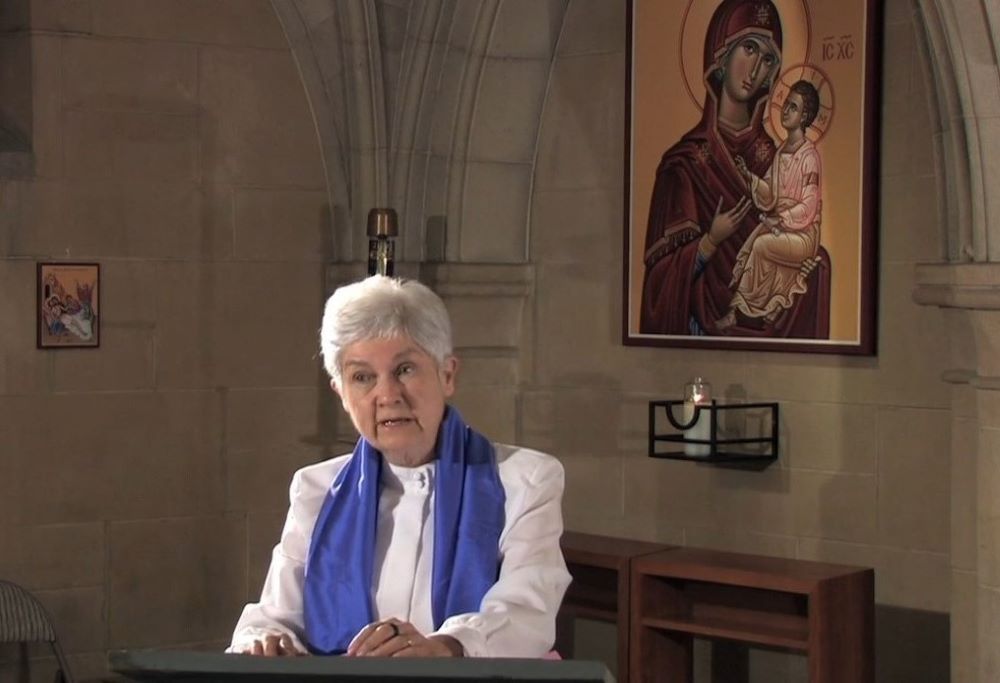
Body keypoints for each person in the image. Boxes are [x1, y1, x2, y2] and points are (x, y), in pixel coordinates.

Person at [228, 275, 571, 659]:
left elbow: (528, 611)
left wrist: (445, 649)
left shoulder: (525, 479)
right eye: (362, 377)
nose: (387, 395)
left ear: (447, 374)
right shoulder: (316, 488)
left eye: (405, 369)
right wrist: (263, 644)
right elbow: (275, 618)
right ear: (340, 393)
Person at [640, 0, 828, 338]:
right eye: (749, 48)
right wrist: (711, 242)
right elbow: (657, 282)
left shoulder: (774, 154)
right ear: (720, 55)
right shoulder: (682, 163)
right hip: (697, 328)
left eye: (768, 58)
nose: (755, 68)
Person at [718, 80, 823, 328]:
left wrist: (782, 219)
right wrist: (750, 177)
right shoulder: (781, 151)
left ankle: (739, 311)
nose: (785, 110)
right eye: (786, 103)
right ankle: (765, 306)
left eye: (793, 107)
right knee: (751, 244)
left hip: (803, 233)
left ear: (804, 116)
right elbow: (769, 193)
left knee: (761, 245)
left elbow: (808, 206)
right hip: (781, 226)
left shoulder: (809, 156)